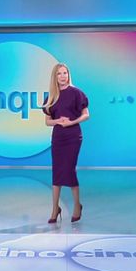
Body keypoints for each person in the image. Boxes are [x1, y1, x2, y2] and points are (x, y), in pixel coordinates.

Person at [42, 63, 89, 223]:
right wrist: (57, 121)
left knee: (69, 170)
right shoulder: (51, 97)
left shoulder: (76, 93)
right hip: (58, 137)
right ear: (55, 77)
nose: (63, 76)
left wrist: (71, 122)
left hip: (73, 136)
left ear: (69, 75)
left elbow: (86, 114)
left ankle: (77, 206)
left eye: (65, 73)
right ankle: (55, 208)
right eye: (59, 74)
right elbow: (47, 121)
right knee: (57, 171)